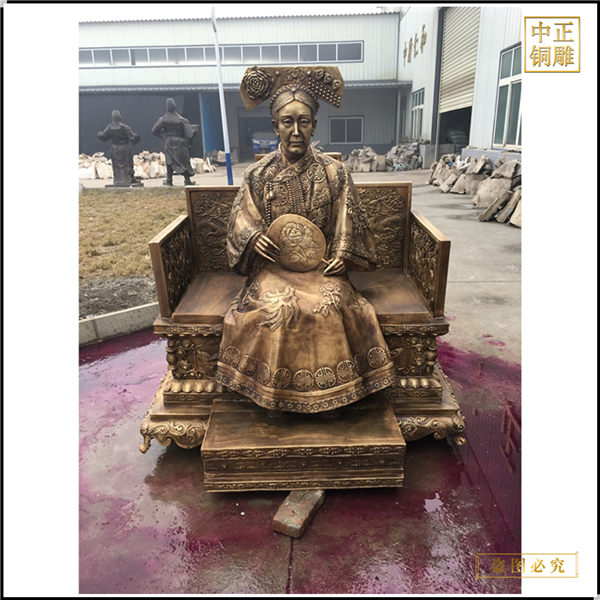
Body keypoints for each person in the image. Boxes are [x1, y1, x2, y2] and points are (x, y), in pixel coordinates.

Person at [214, 66, 395, 414]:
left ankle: (336, 394)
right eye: (287, 122)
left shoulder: (334, 171)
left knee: (332, 306)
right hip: (274, 268)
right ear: (275, 126)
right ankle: (273, 394)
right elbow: (241, 218)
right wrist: (253, 237)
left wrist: (343, 252)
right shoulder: (258, 174)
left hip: (321, 267)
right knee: (278, 309)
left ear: (314, 125)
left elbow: (348, 218)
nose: (296, 131)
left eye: (304, 122)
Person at [151, 98, 196, 186]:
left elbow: (154, 131)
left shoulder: (163, 119)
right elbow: (190, 134)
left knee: (169, 161)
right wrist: (191, 144)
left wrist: (161, 135)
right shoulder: (183, 120)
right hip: (180, 141)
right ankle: (187, 180)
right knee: (184, 160)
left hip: (169, 141)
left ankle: (169, 180)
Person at [97, 110, 141, 186]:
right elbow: (133, 137)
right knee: (128, 164)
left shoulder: (109, 128)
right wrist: (136, 137)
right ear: (120, 117)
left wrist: (99, 134)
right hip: (124, 148)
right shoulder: (125, 128)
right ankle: (128, 178)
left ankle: (120, 179)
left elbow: (104, 137)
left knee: (117, 166)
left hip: (114, 149)